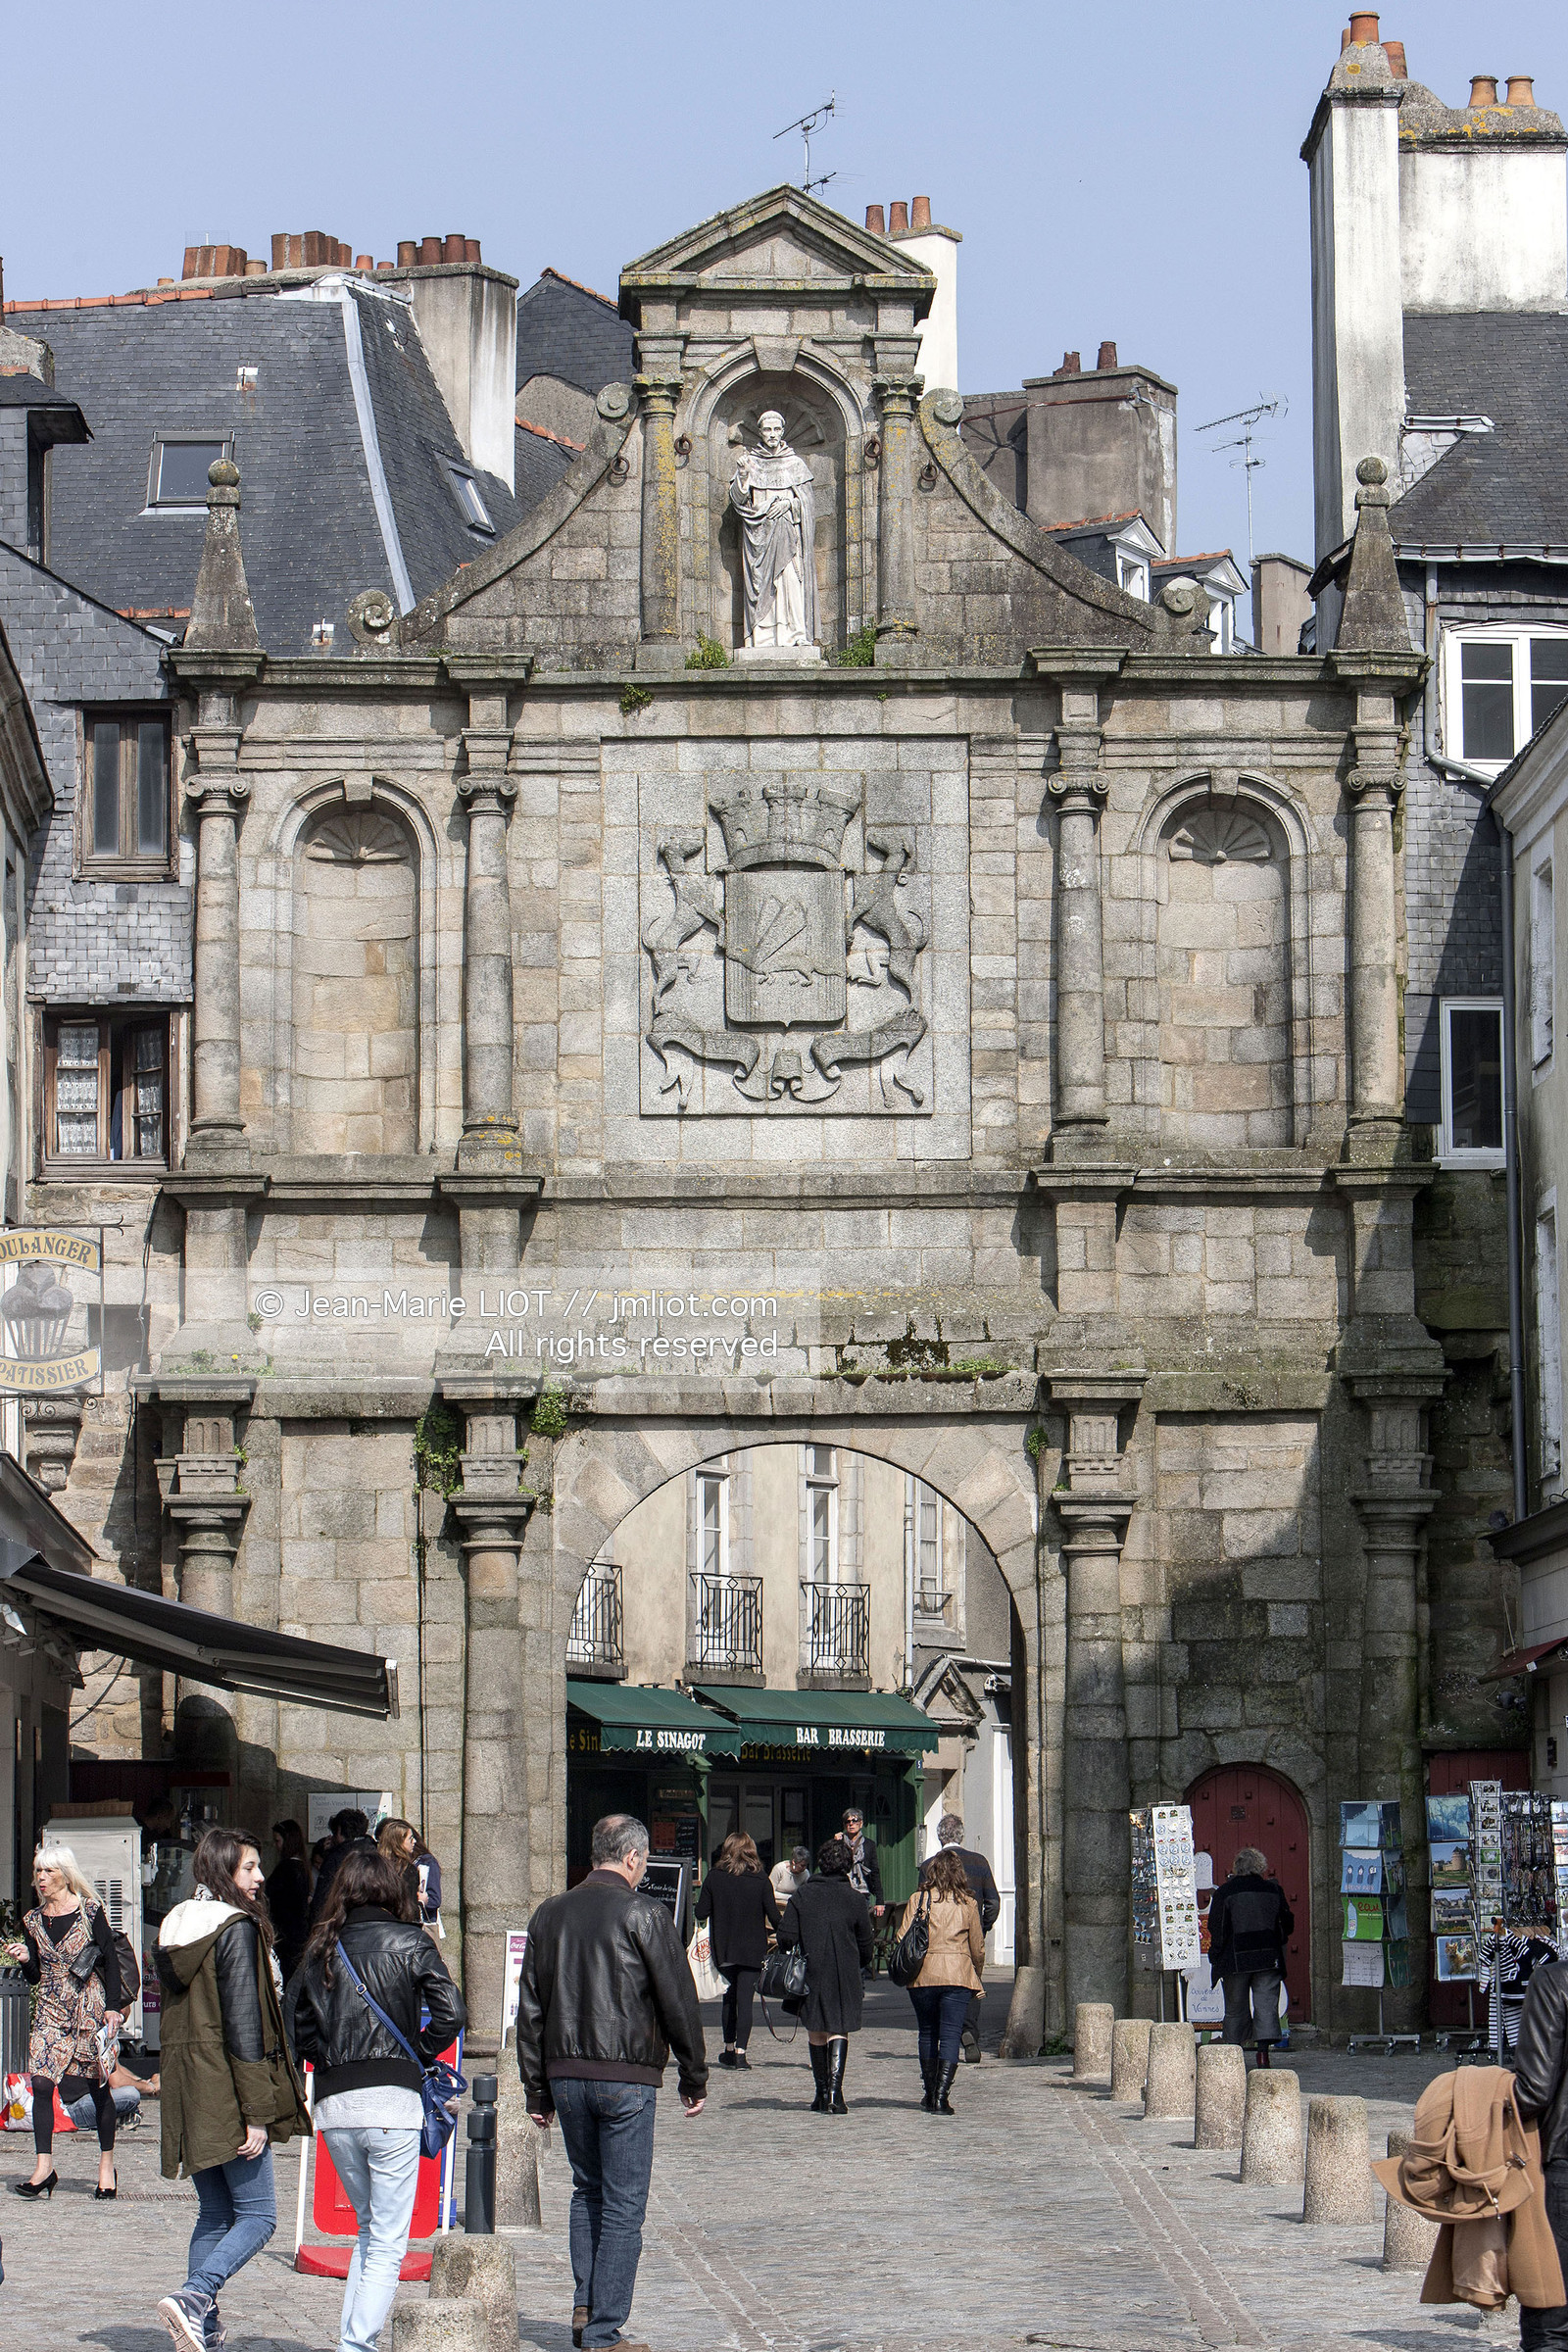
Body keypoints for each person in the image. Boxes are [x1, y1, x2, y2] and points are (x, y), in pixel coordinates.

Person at [516, 1814, 707, 2352]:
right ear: (632, 1859)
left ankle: (585, 2306)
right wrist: (693, 2075)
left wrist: (537, 2089)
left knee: (588, 2191)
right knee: (624, 2203)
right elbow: (677, 1999)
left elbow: (530, 2008)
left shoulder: (549, 1914)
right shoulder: (644, 1912)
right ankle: (603, 2331)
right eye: (642, 1861)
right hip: (625, 2074)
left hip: (567, 2074)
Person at [286, 1845, 466, 2352]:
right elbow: (450, 2014)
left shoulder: (322, 1945)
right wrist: (417, 2054)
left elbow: (295, 2024)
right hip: (393, 2103)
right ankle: (356, 2346)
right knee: (388, 2240)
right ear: (391, 1889)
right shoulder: (411, 1941)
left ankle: (352, 2340)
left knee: (369, 2232)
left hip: (336, 2103)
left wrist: (325, 2060)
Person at [153, 1827, 311, 2351]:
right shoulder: (234, 1929)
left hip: (189, 2089)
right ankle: (196, 2297)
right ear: (224, 1871)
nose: (260, 1877)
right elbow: (246, 2028)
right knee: (260, 2216)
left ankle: (204, 2325)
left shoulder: (178, 1926)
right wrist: (257, 2113)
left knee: (216, 2213)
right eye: (249, 1868)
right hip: (228, 2090)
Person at [3, 1843, 124, 2198]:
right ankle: (44, 2169)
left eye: (49, 1872)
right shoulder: (32, 1920)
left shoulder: (90, 1911)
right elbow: (36, 1976)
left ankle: (105, 2167)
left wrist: (113, 2007)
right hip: (50, 2010)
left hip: (89, 2008)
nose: (41, 1879)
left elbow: (112, 1961)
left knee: (98, 2088)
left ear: (65, 1874)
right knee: (41, 2084)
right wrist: (27, 1958)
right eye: (38, 1872)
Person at [776, 1836, 874, 2115]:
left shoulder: (804, 1895)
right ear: (846, 1866)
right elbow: (866, 1944)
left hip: (812, 1970)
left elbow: (785, 1937)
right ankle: (834, 2093)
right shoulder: (855, 1899)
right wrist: (859, 1962)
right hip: (844, 1971)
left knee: (817, 2029)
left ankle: (821, 2094)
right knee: (838, 2027)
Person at [1508, 1944, 1568, 2347]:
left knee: (1551, 2314)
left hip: (1564, 2164)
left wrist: (1477, 2095)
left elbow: (1533, 2090)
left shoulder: (1554, 1981)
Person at [899, 1845, 986, 2115]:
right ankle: (941, 2097)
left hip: (924, 1974)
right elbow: (978, 1947)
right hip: (957, 1974)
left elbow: (902, 1937)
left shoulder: (918, 1899)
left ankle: (928, 2091)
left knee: (927, 2032)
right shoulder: (968, 1903)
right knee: (949, 2036)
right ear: (960, 1874)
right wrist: (975, 1973)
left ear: (932, 1872)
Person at [694, 1833, 781, 2070]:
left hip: (726, 1948)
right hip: (753, 1949)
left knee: (728, 1999)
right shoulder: (761, 1879)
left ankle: (729, 2049)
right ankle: (741, 2054)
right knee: (745, 2001)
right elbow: (775, 1918)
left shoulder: (714, 1877)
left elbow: (701, 1912)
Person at [1207, 1845, 1295, 2067]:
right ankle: (1263, 2055)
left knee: (1235, 2007)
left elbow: (1216, 1927)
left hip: (1235, 1958)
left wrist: (1216, 1954)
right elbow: (1288, 1924)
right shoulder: (1273, 1891)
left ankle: (1235, 2056)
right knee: (1266, 2005)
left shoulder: (1225, 1892)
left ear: (1236, 1868)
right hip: (1267, 1956)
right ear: (1260, 1867)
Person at [926, 1814, 1001, 2063]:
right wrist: (983, 1926)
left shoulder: (929, 1865)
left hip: (937, 1937)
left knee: (938, 1985)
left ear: (939, 1836)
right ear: (961, 1835)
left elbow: (920, 1906)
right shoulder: (978, 1862)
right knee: (971, 1984)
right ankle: (968, 2030)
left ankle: (942, 2034)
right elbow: (993, 1902)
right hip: (968, 1933)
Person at [375, 1818, 444, 1933]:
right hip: (404, 1926)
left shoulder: (424, 1862)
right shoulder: (396, 1867)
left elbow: (434, 1899)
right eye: (410, 1839)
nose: (414, 1842)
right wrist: (418, 1901)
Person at [308, 1809, 375, 1925]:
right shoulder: (375, 1853)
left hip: (343, 1923)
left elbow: (323, 1899)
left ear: (339, 1831)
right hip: (371, 1920)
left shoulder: (336, 1859)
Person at [267, 1821, 312, 1984]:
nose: (275, 1845)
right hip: (296, 1934)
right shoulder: (302, 1867)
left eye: (277, 1841)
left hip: (286, 1935)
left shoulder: (287, 1868)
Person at [841, 1809, 884, 1918]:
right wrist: (834, 1842)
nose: (851, 1824)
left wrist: (880, 1901)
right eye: (847, 1821)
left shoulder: (869, 1845)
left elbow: (874, 1872)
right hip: (843, 1891)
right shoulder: (839, 1844)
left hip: (862, 1891)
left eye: (854, 1820)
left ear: (861, 1823)